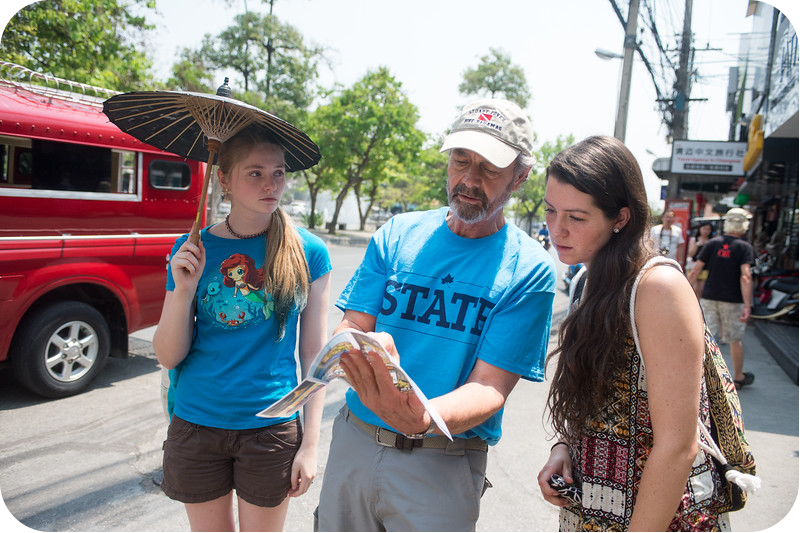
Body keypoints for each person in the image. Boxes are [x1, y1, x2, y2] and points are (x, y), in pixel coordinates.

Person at [315, 98, 556, 532]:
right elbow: (353, 324)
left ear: (519, 178)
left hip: (441, 461)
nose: (469, 179)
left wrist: (426, 417)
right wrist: (354, 346)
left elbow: (489, 386)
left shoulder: (529, 268)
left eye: (489, 169)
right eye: (460, 160)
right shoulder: (397, 233)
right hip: (354, 442)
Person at [537, 136, 731, 531]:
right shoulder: (586, 282)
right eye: (550, 211)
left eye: (576, 217)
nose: (558, 229)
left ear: (620, 218)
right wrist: (563, 447)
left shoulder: (657, 288)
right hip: (592, 509)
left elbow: (678, 446)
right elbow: (588, 400)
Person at [153, 125, 331, 533]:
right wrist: (182, 291)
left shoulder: (309, 251)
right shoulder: (192, 249)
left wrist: (311, 443)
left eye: (279, 172)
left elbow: (315, 356)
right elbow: (168, 355)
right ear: (222, 179)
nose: (272, 184)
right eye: (255, 173)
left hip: (271, 427)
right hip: (197, 423)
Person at [688, 207, 755, 389]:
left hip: (709, 297)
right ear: (744, 225)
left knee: (705, 337)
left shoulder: (713, 243)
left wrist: (685, 294)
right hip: (733, 300)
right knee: (734, 338)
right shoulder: (744, 247)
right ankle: (738, 377)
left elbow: (695, 270)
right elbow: (745, 276)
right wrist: (748, 305)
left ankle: (698, 376)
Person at [686, 221, 715, 298]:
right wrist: (697, 245)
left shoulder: (712, 242)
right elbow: (691, 253)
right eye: (704, 229)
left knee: (701, 290)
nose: (706, 231)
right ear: (700, 229)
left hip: (706, 267)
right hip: (694, 265)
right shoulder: (694, 239)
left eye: (708, 229)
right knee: (693, 288)